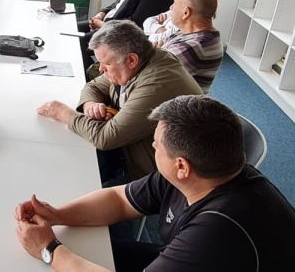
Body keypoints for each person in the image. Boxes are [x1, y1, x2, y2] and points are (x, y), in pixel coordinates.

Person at [14, 95, 295, 272]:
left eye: (157, 144)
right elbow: (119, 200)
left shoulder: (220, 230)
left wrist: (49, 249)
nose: (153, 147)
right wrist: (58, 214)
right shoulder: (204, 173)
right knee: (90, 255)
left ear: (182, 166)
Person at [38, 20, 202, 183]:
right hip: (126, 153)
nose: (101, 69)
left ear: (131, 60)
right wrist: (91, 105)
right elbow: (93, 86)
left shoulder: (157, 84)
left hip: (155, 179)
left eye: (106, 63)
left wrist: (63, 113)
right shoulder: (137, 62)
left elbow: (105, 137)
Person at [159, 0, 223, 93]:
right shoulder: (190, 33)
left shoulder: (194, 47)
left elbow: (148, 71)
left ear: (186, 13)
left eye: (175, 4)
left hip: (171, 101)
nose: (171, 7)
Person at [142, 0, 221, 45]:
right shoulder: (179, 10)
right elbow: (147, 22)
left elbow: (153, 39)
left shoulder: (187, 23)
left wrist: (155, 31)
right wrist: (161, 29)